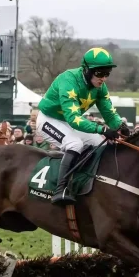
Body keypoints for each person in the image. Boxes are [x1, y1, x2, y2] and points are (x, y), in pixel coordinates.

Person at [36, 47, 128, 206]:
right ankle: (60, 190)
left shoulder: (100, 87)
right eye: (100, 73)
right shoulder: (68, 80)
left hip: (69, 120)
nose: (103, 78)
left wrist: (121, 126)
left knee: (101, 144)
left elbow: (109, 113)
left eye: (107, 73)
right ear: (86, 70)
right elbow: (73, 118)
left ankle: (88, 183)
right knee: (75, 144)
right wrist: (103, 129)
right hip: (48, 119)